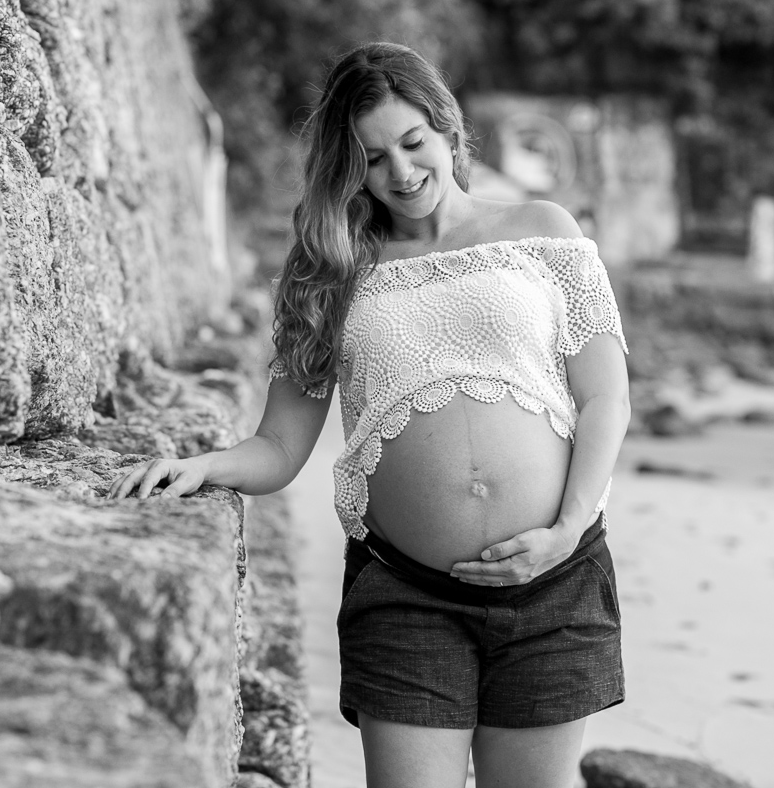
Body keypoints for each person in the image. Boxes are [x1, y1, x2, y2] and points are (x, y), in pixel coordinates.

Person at [109, 41, 630, 788]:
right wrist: (203, 467)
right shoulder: (328, 269)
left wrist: (566, 531)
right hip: (407, 595)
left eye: (413, 143)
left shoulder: (544, 228)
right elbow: (280, 446)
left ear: (447, 128)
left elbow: (605, 398)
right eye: (373, 158)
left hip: (555, 580)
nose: (401, 172)